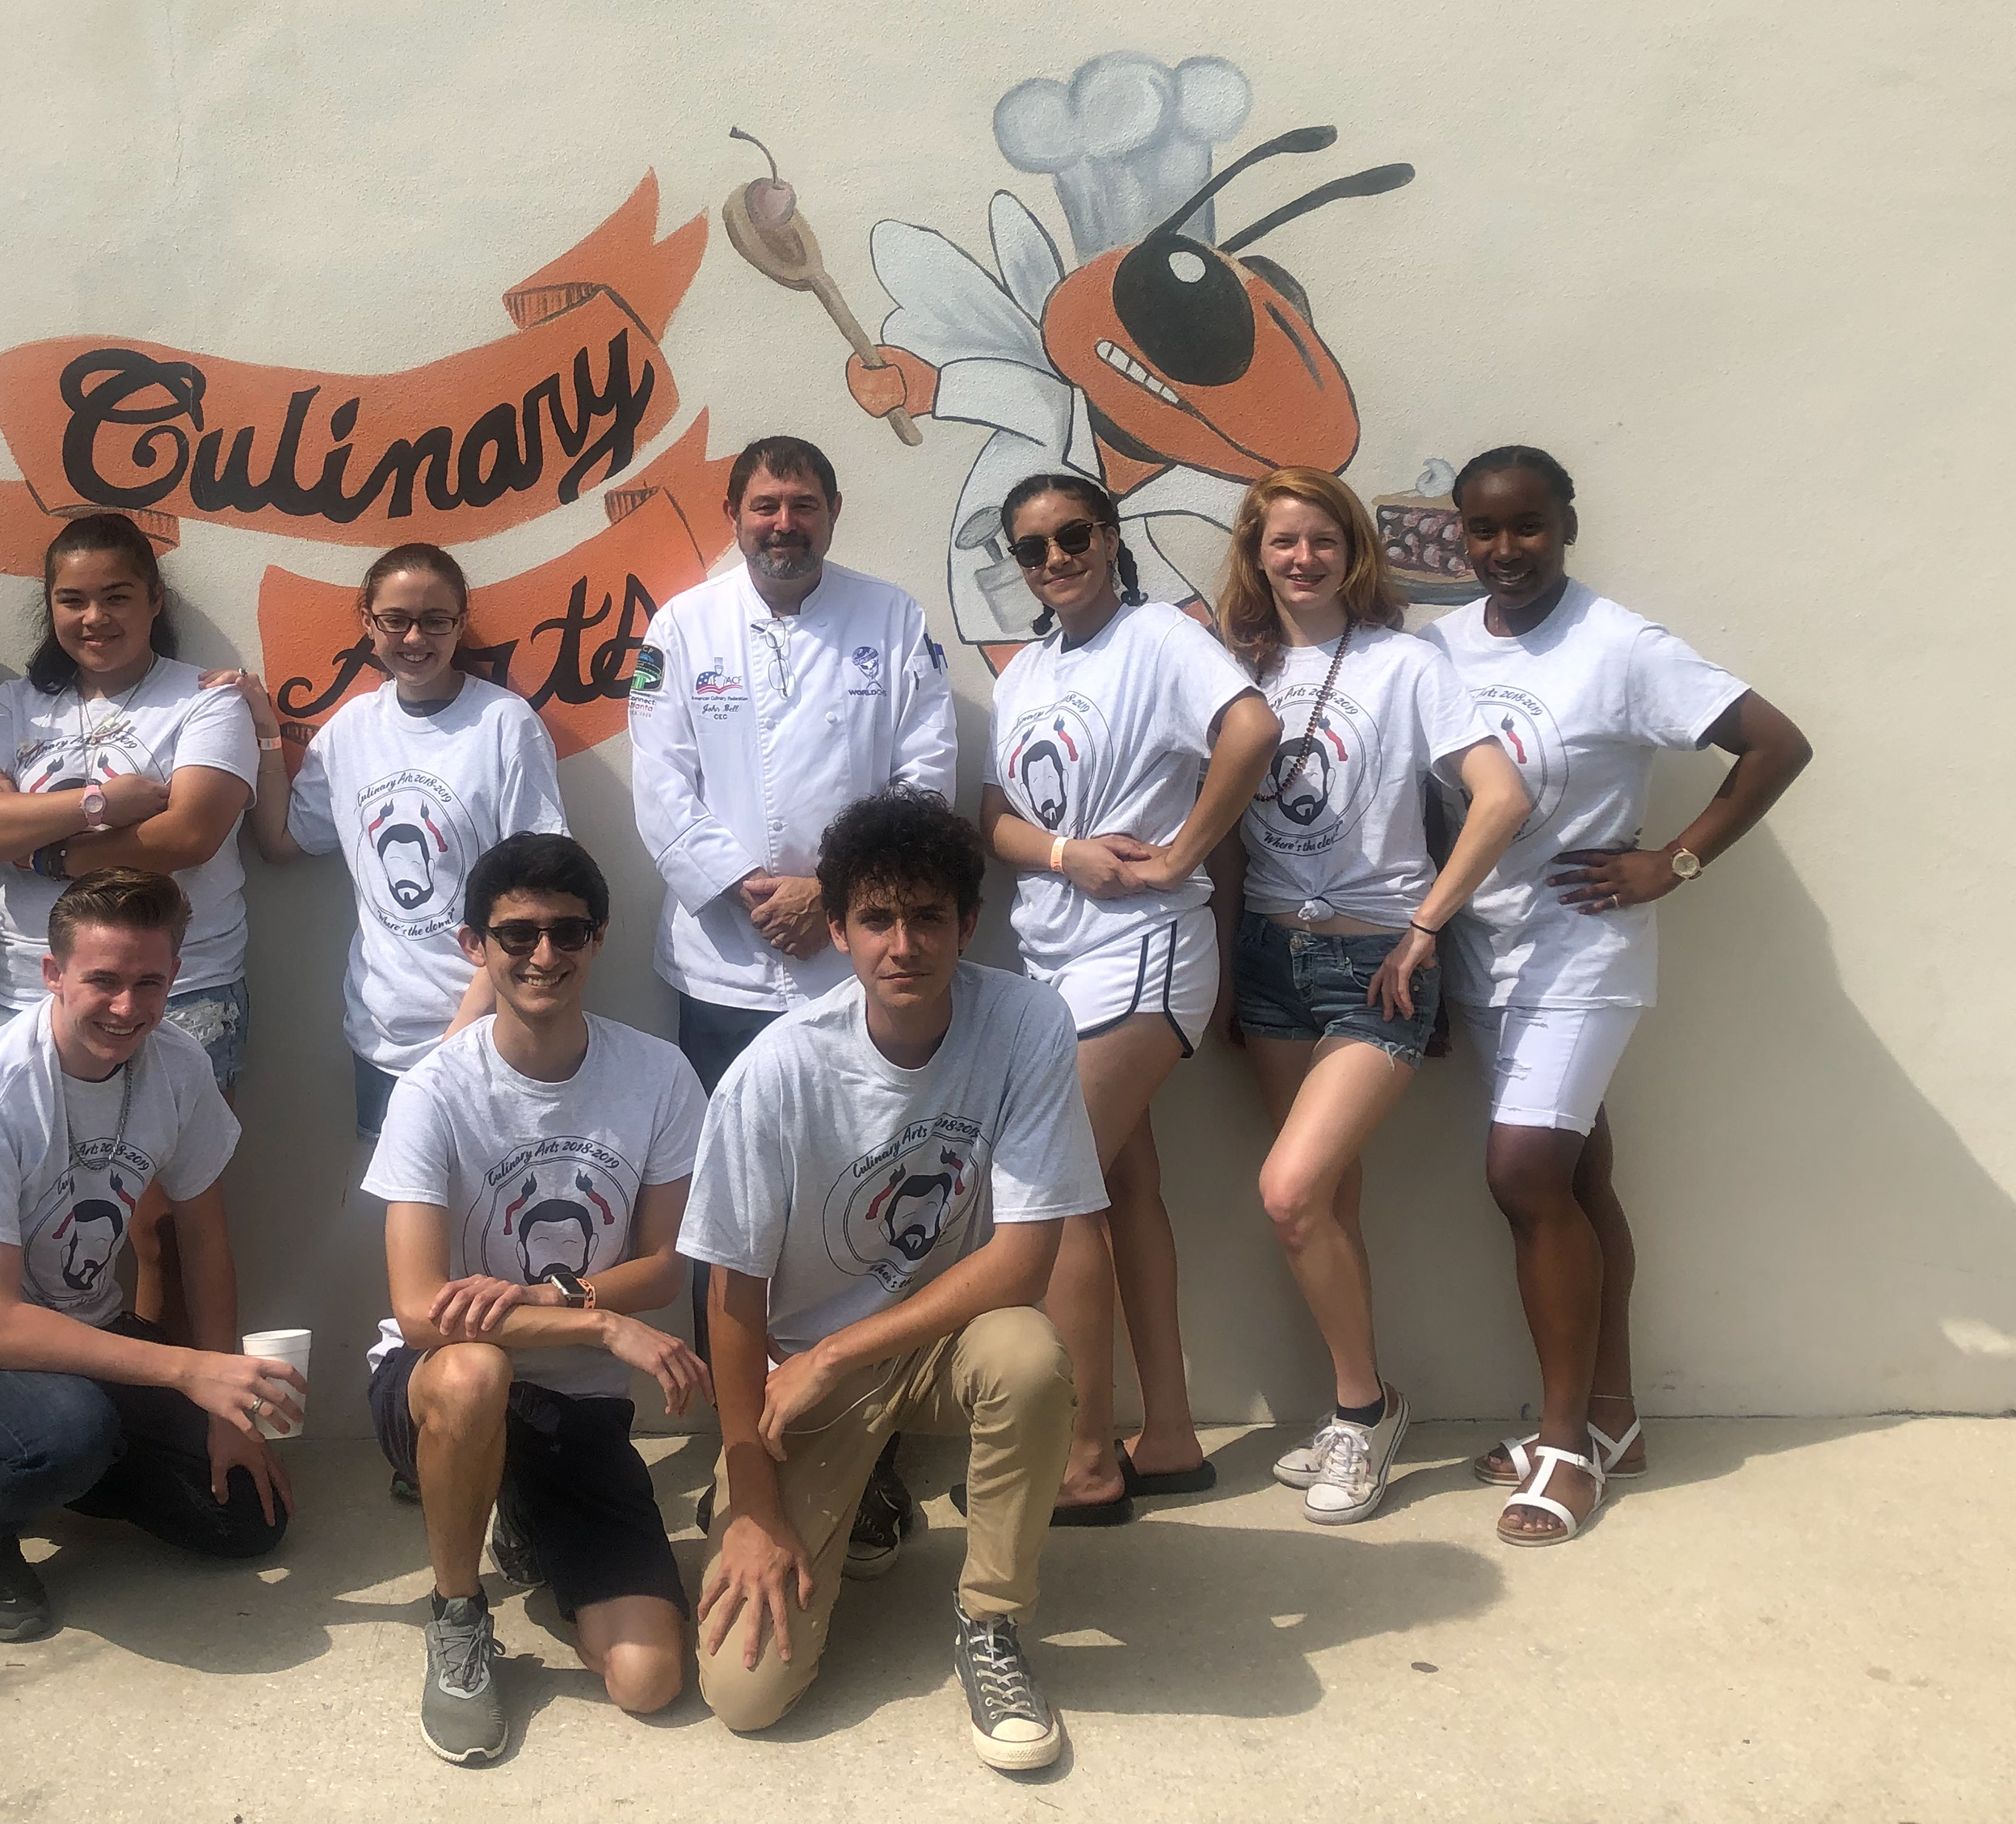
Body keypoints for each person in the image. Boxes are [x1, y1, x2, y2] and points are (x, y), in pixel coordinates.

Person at [1431, 446, 1812, 1544]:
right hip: (1485, 956)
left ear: (1568, 525)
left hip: (1584, 958)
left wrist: (1673, 862)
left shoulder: (1621, 647)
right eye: (1485, 530)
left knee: (1525, 1173)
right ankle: (1612, 1421)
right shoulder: (1442, 647)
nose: (1506, 550)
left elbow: (1775, 745)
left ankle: (1559, 1449)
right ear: (1459, 535)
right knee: (1579, 1175)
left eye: (1529, 527)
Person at [684, 790, 1106, 1773]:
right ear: (837, 931)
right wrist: (753, 1497)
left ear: (968, 923)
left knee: (1030, 1353)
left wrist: (840, 1352)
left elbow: (1024, 1258)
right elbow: (730, 1302)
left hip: (918, 1346)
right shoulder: (776, 1074)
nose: (903, 943)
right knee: (746, 1697)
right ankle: (860, 1488)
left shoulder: (1027, 1022)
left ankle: (992, 1624)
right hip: (799, 1375)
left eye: (927, 916)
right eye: (876, 918)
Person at [627, 434, 956, 1554]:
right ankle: (745, 1439)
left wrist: (835, 891)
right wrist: (749, 890)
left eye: (804, 505)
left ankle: (861, 1440)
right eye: (765, 505)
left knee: (856, 1207)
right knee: (733, 1220)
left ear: (832, 511)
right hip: (722, 971)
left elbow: (926, 772)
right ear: (733, 512)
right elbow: (661, 790)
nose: (784, 524)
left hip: (858, 969)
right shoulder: (680, 629)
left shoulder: (893, 617)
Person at [1211, 465, 1530, 1527]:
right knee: (1327, 1205)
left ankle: (1364, 1408)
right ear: (1256, 555)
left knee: (1290, 1192)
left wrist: (1429, 925)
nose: (1303, 559)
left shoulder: (1406, 666)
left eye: (1323, 541)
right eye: (1283, 542)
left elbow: (1502, 797)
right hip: (1266, 959)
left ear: (1353, 553)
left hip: (1378, 968)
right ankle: (1356, 1408)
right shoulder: (1234, 670)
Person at [0, 869, 299, 1641]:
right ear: (52, 974)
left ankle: (10, 1462)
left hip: (79, 1338)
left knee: (244, 1524)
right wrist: (189, 1373)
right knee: (71, 1435)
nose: (128, 1007)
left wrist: (226, 1405)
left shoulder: (179, 1067)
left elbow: (204, 1239)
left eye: (150, 982)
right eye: (103, 981)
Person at [362, 832, 709, 1763]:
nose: (544, 955)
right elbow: (423, 1309)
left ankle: (523, 1507)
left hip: (577, 1407)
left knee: (650, 1680)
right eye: (518, 935)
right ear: (475, 945)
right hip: (441, 1383)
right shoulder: (434, 1092)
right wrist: (596, 1318)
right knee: (473, 1369)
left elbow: (667, 1264)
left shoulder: (660, 1077)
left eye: (568, 932)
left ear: (597, 942)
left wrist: (555, 1297)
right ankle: (458, 1611)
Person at [978, 473, 1277, 1521]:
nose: (1055, 559)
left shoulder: (1159, 638)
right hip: (1056, 958)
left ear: (1108, 538)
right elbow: (992, 815)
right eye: (1033, 548)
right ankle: (1170, 1436)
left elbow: (1251, 728)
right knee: (1115, 1189)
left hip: (1143, 951)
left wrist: (1177, 856)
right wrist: (1066, 855)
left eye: (1072, 537)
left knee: (1051, 1188)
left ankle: (1085, 1463)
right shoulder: (1025, 671)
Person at [0, 512, 261, 1326]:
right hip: (28, 993)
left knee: (158, 1224)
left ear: (154, 600)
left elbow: (191, 833)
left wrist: (42, 848)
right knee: (22, 1217)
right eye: (72, 600)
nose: (95, 618)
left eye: (116, 596)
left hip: (178, 995)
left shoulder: (204, 700)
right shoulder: (17, 705)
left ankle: (168, 1416)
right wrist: (96, 806)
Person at [234, 541, 566, 1143]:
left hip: (490, 1031)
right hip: (381, 1037)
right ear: (368, 621)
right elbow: (282, 842)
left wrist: (464, 1030)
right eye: (396, 620)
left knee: (492, 1223)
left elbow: (539, 896)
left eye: (436, 620)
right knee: (403, 1226)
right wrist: (262, 735)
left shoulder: (504, 725)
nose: (415, 638)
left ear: (462, 622)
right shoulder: (349, 732)